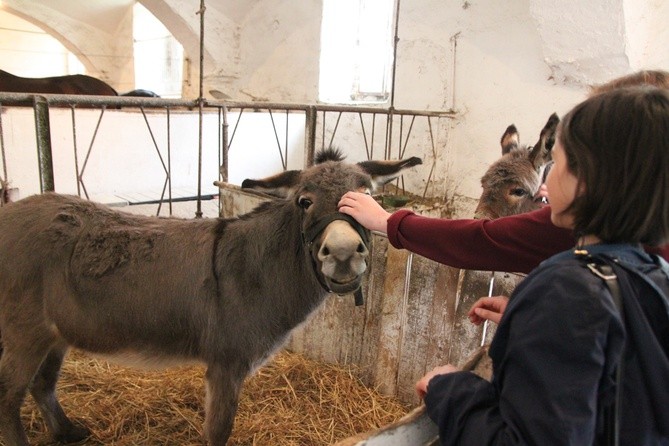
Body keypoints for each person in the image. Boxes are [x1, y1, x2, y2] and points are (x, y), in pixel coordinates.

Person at [414, 87, 669, 444]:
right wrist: (530, 317)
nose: (545, 186)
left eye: (559, 164)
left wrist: (450, 389)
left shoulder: (566, 288)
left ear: (588, 182)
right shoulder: (653, 273)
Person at [338, 69, 669, 275]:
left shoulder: (578, 241)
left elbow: (480, 241)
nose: (547, 185)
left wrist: (388, 221)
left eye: (565, 165)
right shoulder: (650, 264)